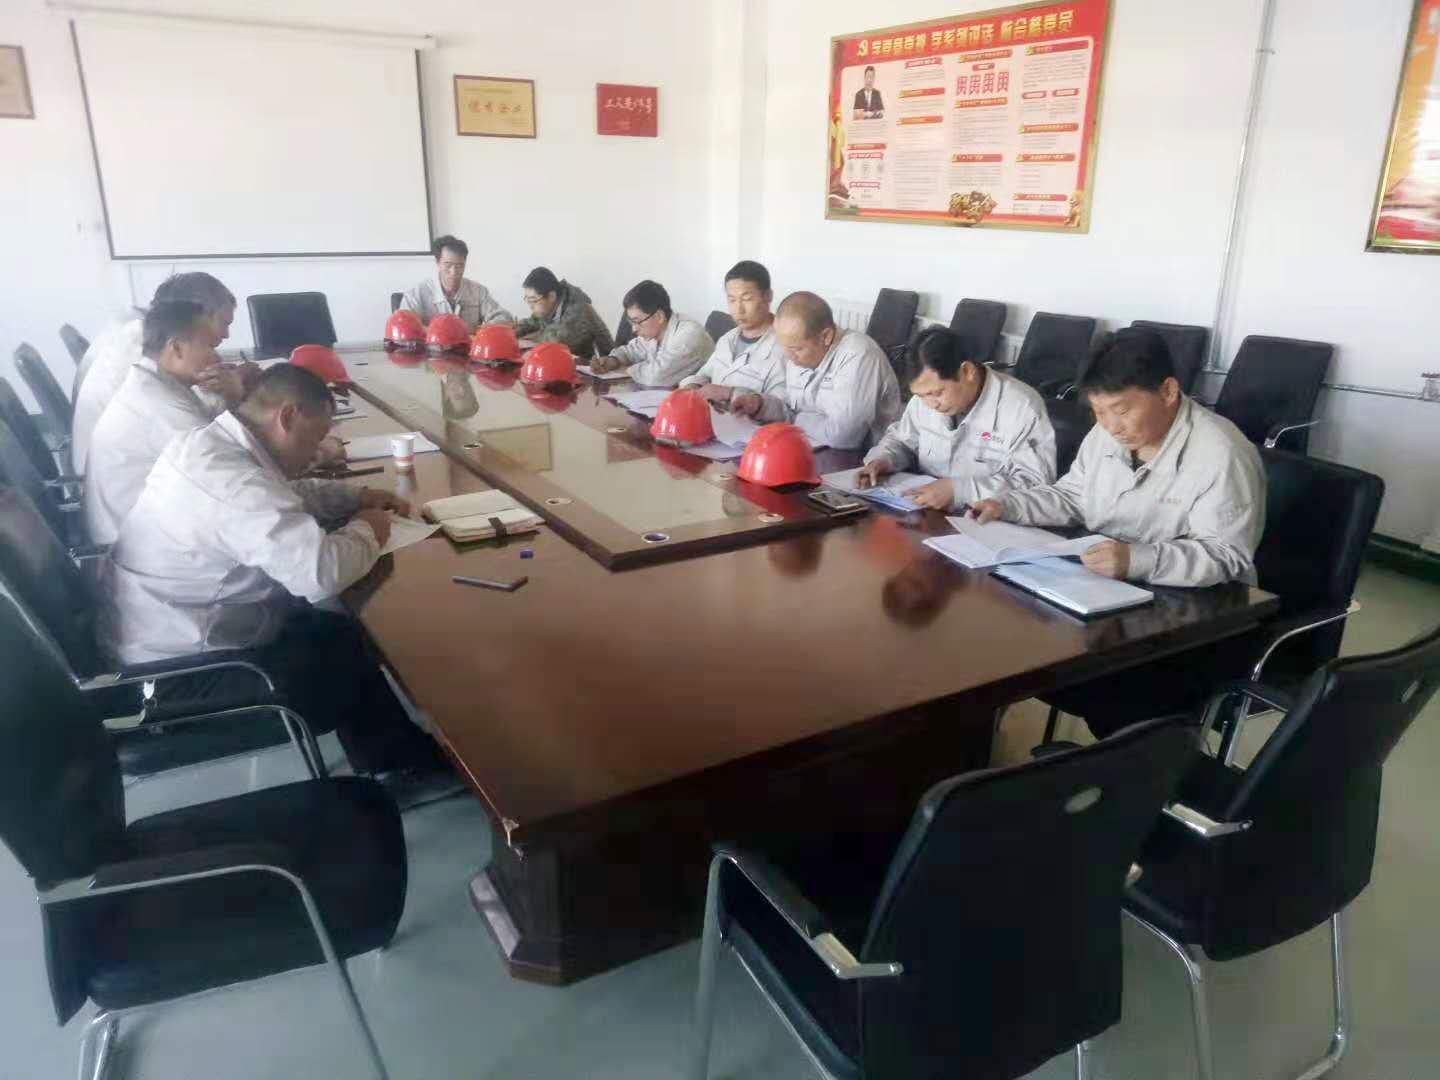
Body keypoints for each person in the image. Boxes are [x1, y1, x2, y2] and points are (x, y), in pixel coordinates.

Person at [98, 364, 448, 781]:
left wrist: (356, 496)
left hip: (169, 636)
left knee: (340, 633)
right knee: (343, 652)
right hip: (177, 676)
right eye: (315, 438)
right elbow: (319, 575)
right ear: (288, 416)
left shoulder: (210, 444)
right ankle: (400, 760)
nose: (316, 452)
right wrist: (369, 527)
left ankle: (391, 758)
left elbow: (281, 495)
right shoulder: (231, 482)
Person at [969, 327, 1265, 587]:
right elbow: (1073, 496)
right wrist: (1008, 506)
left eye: (1122, 410)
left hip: (1197, 602)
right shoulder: (1107, 431)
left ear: (1168, 391)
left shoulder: (1222, 454)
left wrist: (1137, 560)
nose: (1111, 426)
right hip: (1103, 581)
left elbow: (1225, 555)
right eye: (1099, 412)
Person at [84, 300, 247, 545]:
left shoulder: (153, 381)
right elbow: (236, 466)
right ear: (176, 348)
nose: (216, 357)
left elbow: (208, 428)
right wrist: (237, 397)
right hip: (129, 541)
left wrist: (227, 397)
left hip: (139, 523)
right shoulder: (160, 404)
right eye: (210, 347)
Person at [859, 325, 1056, 510]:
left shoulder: (1022, 407)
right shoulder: (925, 398)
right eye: (920, 395)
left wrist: (960, 491)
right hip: (925, 511)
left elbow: (1034, 483)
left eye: (937, 393)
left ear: (967, 372)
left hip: (985, 519)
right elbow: (902, 440)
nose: (930, 404)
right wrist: (883, 459)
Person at [73, 272, 252, 475]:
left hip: (115, 464)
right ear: (193, 312)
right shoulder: (137, 349)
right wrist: (235, 395)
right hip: (120, 476)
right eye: (224, 322)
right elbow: (225, 454)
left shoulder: (145, 337)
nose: (226, 334)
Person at [731, 291, 901, 450]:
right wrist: (760, 405)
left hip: (863, 459)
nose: (788, 356)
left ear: (826, 336)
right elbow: (789, 407)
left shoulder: (859, 354)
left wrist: (796, 418)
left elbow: (844, 436)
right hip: (813, 446)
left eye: (796, 349)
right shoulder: (796, 353)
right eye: (784, 347)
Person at [679, 260, 787, 407]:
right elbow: (704, 375)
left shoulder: (786, 347)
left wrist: (730, 393)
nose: (738, 309)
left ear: (768, 296)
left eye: (747, 299)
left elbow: (783, 409)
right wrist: (692, 385)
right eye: (732, 300)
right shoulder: (727, 339)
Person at [592, 280, 713, 386]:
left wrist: (625, 370)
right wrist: (613, 360)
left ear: (659, 316)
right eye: (631, 322)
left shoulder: (689, 335)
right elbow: (631, 351)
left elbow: (658, 376)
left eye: (637, 321)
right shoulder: (654, 332)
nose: (634, 329)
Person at [401, 235, 513, 331]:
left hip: (468, 347)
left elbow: (503, 317)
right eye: (448, 265)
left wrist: (483, 330)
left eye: (459, 266)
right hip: (431, 348)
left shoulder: (478, 291)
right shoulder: (416, 294)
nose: (454, 272)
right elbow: (403, 325)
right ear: (437, 263)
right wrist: (433, 332)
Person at [513, 266, 614, 358]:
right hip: (565, 361)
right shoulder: (550, 306)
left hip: (595, 366)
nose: (530, 306)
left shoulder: (577, 308)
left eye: (533, 300)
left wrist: (529, 337)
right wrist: (514, 330)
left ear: (551, 296)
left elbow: (557, 341)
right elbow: (533, 322)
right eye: (527, 299)